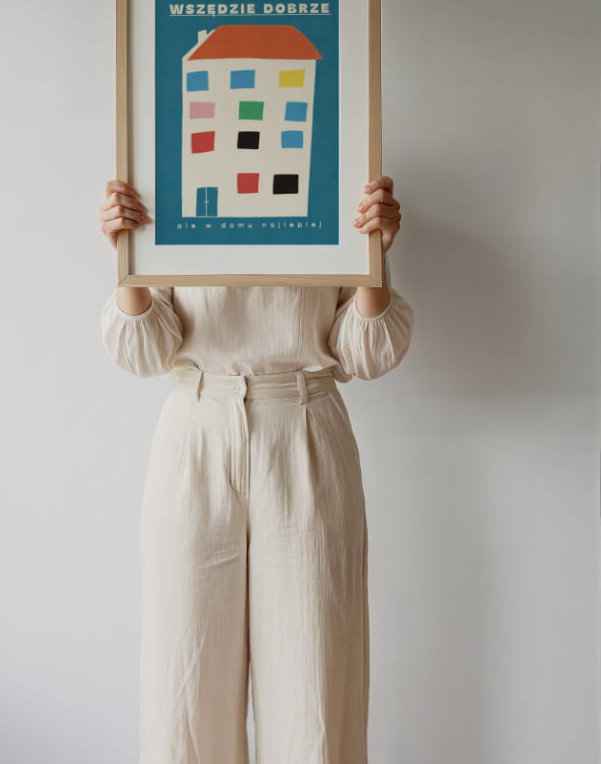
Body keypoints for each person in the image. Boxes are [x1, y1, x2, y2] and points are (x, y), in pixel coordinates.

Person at [99, 175, 415, 764]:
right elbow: (144, 351)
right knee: (183, 693)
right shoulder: (174, 167)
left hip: (306, 423)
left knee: (315, 688)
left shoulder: (334, 165)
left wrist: (373, 256)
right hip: (196, 432)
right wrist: (129, 259)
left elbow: (366, 352)